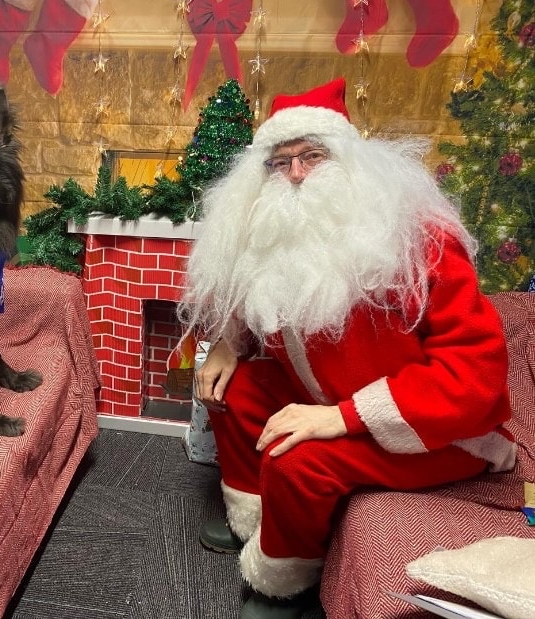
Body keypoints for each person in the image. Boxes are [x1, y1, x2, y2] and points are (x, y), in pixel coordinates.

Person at [178, 77, 516, 619]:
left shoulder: (419, 238)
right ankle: (261, 520)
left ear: (348, 160)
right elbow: (265, 294)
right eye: (279, 161)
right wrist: (228, 340)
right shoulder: (281, 231)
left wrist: (343, 417)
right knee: (235, 390)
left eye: (311, 156)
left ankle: (283, 577)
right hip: (331, 395)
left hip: (442, 432)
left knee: (298, 457)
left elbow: (475, 373)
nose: (294, 175)